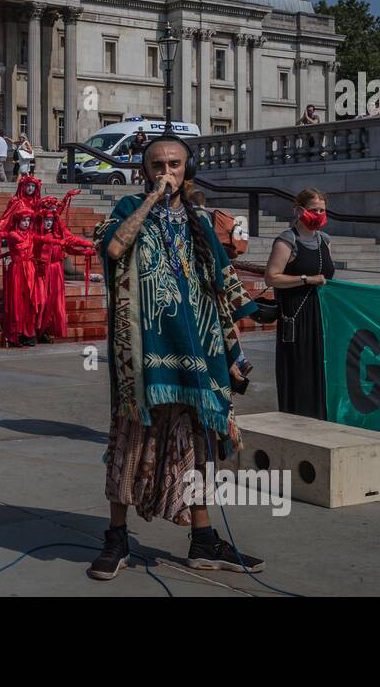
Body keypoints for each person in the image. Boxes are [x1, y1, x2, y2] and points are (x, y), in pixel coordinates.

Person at [88, 134, 262, 581]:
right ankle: (116, 538)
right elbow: (112, 249)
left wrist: (236, 346)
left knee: (197, 446)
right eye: (157, 164)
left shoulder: (200, 221)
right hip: (142, 354)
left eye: (174, 164)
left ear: (189, 169)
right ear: (144, 171)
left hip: (196, 350)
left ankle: (203, 540)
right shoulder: (129, 209)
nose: (166, 171)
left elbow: (222, 285)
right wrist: (152, 202)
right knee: (130, 444)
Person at [264, 187, 335, 419]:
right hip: (296, 314)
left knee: (319, 367)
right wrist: (305, 279)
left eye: (322, 210)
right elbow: (272, 277)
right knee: (298, 367)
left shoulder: (325, 240)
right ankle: (295, 415)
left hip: (320, 314)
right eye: (314, 210)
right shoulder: (287, 240)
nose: (318, 214)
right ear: (299, 210)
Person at [34, 198, 94, 344]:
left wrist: (88, 247)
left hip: (56, 272)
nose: (49, 221)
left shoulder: (58, 231)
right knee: (41, 301)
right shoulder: (35, 232)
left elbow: (71, 243)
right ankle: (36, 330)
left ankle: (46, 330)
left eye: (51, 218)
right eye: (47, 218)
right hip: (41, 272)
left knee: (54, 303)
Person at [0, 208, 41, 347]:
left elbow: (40, 239)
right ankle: (16, 332)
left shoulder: (31, 234)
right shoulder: (13, 234)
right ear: (18, 221)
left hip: (29, 270)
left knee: (29, 302)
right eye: (24, 220)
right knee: (17, 302)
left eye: (28, 220)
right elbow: (24, 244)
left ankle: (28, 332)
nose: (26, 223)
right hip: (17, 271)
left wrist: (61, 242)